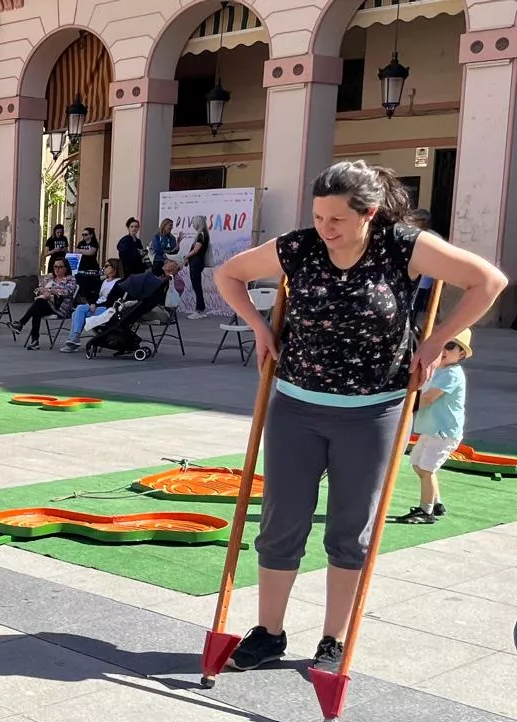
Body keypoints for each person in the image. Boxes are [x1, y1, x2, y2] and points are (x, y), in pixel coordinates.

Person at [213, 160, 507, 673]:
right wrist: (260, 327)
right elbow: (228, 274)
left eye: (337, 220)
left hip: (374, 411)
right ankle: (268, 632)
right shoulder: (299, 247)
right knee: (282, 524)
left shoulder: (403, 246)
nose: (325, 229)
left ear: (369, 213)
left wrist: (436, 341)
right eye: (318, 216)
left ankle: (333, 639)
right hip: (296, 405)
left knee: (351, 529)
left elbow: (489, 281)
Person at [399, 331, 471, 525]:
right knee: (418, 464)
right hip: (431, 430)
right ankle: (437, 503)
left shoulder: (452, 374)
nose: (444, 350)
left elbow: (429, 398)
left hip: (443, 432)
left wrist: (405, 407)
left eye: (450, 346)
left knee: (426, 469)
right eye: (442, 344)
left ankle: (426, 510)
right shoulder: (438, 369)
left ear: (461, 354)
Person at [10, 257, 79, 350]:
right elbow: (37, 289)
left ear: (66, 268)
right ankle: (34, 341)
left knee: (39, 304)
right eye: (55, 267)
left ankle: (21, 324)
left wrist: (50, 291)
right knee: (37, 309)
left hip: (60, 307)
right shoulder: (50, 277)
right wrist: (43, 292)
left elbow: (67, 292)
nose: (57, 269)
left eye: (60, 267)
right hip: (46, 304)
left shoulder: (70, 279)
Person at [60, 259, 123, 352]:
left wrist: (95, 305)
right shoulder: (103, 281)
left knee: (76, 313)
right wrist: (92, 303)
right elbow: (93, 295)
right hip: (97, 305)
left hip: (107, 309)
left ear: (114, 268)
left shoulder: (119, 283)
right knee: (79, 309)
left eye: (107, 266)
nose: (104, 268)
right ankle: (74, 339)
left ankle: (74, 340)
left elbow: (112, 300)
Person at [184, 215, 212, 318]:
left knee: (197, 286)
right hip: (197, 262)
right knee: (197, 286)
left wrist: (186, 256)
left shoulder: (201, 234)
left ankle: (199, 310)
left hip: (196, 263)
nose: (193, 225)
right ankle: (201, 309)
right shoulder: (204, 234)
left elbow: (196, 250)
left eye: (194, 223)